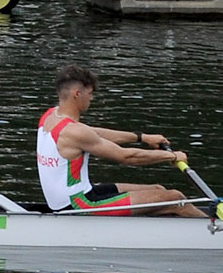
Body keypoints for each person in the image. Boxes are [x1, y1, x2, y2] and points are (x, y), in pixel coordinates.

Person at [36, 64, 205, 217]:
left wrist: (141, 137)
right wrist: (173, 156)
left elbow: (94, 133)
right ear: (77, 94)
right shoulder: (75, 131)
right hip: (79, 205)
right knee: (175, 198)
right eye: (90, 93)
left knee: (158, 190)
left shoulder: (51, 116)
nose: (92, 98)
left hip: (73, 197)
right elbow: (127, 157)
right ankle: (214, 234)